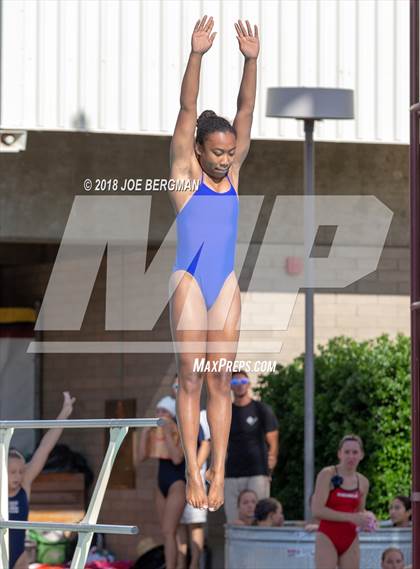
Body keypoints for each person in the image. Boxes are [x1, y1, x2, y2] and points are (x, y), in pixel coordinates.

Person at [168, 15, 259, 513]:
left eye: (230, 153)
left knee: (220, 377)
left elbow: (245, 109)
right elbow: (186, 107)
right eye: (217, 152)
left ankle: (218, 469)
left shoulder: (234, 172)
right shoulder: (185, 173)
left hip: (223, 282)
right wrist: (197, 54)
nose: (225, 160)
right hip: (188, 281)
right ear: (199, 149)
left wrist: (251, 61)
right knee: (190, 375)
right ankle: (190, 465)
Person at [8, 391, 75, 569]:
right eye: (12, 472)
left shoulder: (24, 483)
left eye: (21, 471)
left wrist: (64, 413)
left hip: (18, 557)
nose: (18, 476)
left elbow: (45, 447)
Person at [224, 371, 279, 523]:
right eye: (234, 383)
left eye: (243, 382)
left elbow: (273, 442)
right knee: (234, 521)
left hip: (257, 472)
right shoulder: (225, 412)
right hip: (232, 473)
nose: (239, 386)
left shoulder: (261, 410)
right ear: (230, 387)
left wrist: (269, 470)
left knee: (260, 517)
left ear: (248, 384)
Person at [312, 434, 373, 569]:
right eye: (347, 452)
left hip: (350, 538)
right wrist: (351, 517)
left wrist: (368, 519)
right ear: (339, 454)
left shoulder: (363, 482)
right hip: (327, 535)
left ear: (361, 455)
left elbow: (359, 512)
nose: (351, 456)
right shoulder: (327, 474)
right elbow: (317, 510)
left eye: (355, 452)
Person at [138, 397, 186, 569]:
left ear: (171, 414)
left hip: (177, 483)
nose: (159, 415)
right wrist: (144, 432)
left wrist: (166, 432)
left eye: (163, 411)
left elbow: (176, 458)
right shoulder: (155, 433)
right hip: (161, 483)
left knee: (168, 531)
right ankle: (179, 564)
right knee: (170, 531)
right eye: (157, 411)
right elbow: (141, 457)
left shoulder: (179, 431)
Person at [172, 375, 212, 569]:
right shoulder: (172, 414)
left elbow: (205, 444)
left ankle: (195, 564)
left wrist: (193, 471)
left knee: (194, 524)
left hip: (193, 479)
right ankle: (181, 563)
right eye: (175, 385)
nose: (178, 388)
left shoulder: (195, 413)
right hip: (175, 479)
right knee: (178, 523)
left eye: (181, 385)